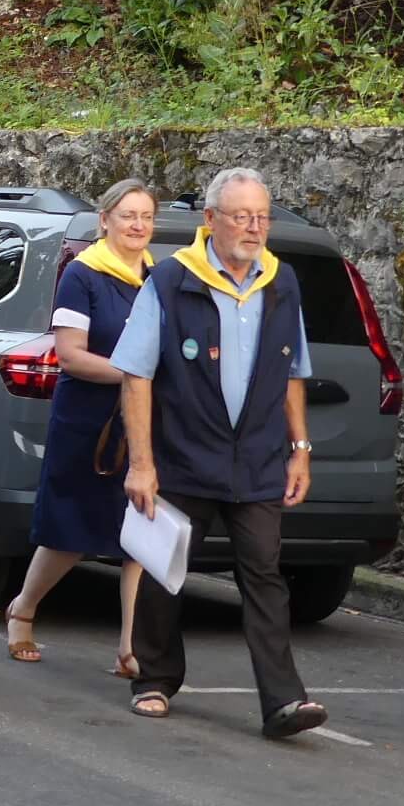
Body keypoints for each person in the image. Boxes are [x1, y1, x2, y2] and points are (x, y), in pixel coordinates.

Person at [113, 167, 328, 740]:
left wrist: (300, 449)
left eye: (262, 217)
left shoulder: (282, 284)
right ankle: (154, 679)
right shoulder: (170, 282)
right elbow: (135, 375)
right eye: (242, 216)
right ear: (210, 220)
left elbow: (292, 374)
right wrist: (141, 463)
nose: (254, 228)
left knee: (264, 575)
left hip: (256, 460)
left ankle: (284, 701)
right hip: (182, 453)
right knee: (164, 570)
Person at [3, 179, 155, 672]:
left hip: (140, 423)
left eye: (145, 217)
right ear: (105, 220)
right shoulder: (83, 275)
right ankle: (23, 608)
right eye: (127, 215)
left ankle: (132, 647)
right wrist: (134, 376)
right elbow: (70, 356)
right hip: (88, 422)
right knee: (70, 533)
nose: (137, 225)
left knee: (141, 536)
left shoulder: (156, 277)